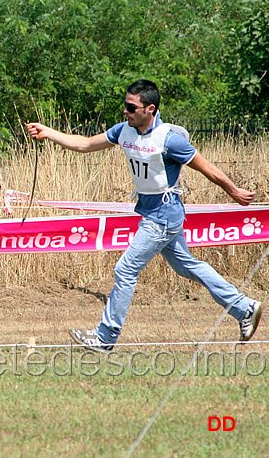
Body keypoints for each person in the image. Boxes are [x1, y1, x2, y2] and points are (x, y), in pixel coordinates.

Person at [26, 79, 262, 352]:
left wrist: (233, 191)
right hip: (152, 211)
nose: (125, 111)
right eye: (124, 105)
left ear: (150, 109)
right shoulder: (123, 130)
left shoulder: (169, 141)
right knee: (186, 266)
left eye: (131, 107)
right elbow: (85, 144)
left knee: (125, 268)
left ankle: (105, 337)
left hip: (164, 214)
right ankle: (245, 308)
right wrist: (49, 132)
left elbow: (207, 169)